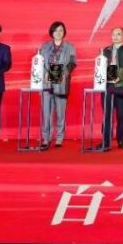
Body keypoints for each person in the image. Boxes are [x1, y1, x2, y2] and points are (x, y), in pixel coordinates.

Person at [40, 21, 76, 150]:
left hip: (62, 83)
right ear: (52, 32)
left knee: (60, 112)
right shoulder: (44, 47)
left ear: (64, 32)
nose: (58, 33)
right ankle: (46, 138)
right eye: (56, 30)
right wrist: (44, 73)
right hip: (47, 83)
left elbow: (72, 63)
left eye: (61, 30)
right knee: (46, 112)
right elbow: (40, 63)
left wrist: (65, 72)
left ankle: (59, 138)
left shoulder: (70, 47)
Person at [101, 26, 123, 150]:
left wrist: (119, 76)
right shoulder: (105, 50)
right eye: (113, 34)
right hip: (107, 86)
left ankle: (121, 140)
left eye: (118, 34)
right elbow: (100, 67)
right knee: (107, 115)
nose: (115, 37)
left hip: (121, 86)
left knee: (120, 115)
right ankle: (105, 141)